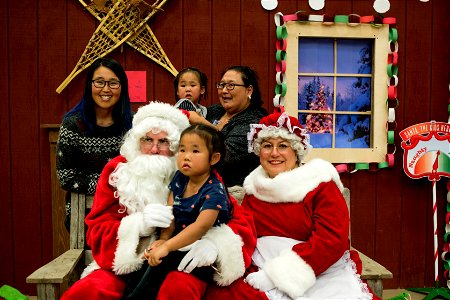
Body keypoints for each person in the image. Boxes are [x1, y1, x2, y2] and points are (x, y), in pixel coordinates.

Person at [61, 102, 257, 300]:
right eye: (147, 139)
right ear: (137, 142)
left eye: (164, 141)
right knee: (87, 292)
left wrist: (216, 245)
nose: (154, 149)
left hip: (179, 261)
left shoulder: (197, 174)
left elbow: (239, 221)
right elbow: (97, 230)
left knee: (178, 290)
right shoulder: (118, 172)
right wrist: (139, 226)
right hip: (128, 263)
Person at [205, 108, 375, 300]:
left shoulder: (320, 184)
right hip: (258, 267)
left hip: (314, 270)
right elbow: (244, 229)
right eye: (267, 145)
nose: (274, 153)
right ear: (258, 151)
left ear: (297, 151)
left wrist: (276, 275)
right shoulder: (255, 188)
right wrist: (218, 245)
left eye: (283, 146)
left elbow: (331, 241)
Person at [122, 124, 233, 299]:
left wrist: (167, 247)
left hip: (200, 253)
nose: (186, 157)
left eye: (195, 151)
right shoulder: (180, 178)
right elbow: (170, 212)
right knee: (146, 262)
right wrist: (163, 239)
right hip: (177, 244)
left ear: (214, 158)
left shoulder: (214, 191)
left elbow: (200, 227)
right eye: (182, 150)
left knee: (160, 263)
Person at [56, 57, 133, 229]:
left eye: (113, 83)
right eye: (99, 82)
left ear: (122, 87)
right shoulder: (73, 124)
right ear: (89, 86)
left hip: (127, 212)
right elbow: (66, 178)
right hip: (84, 214)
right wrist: (111, 185)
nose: (106, 89)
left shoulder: (134, 124)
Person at [188, 65, 267, 188]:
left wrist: (201, 123)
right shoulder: (215, 111)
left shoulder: (254, 123)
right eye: (221, 85)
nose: (224, 90)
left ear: (249, 90)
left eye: (231, 85)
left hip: (231, 193)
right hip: (199, 184)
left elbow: (223, 157)